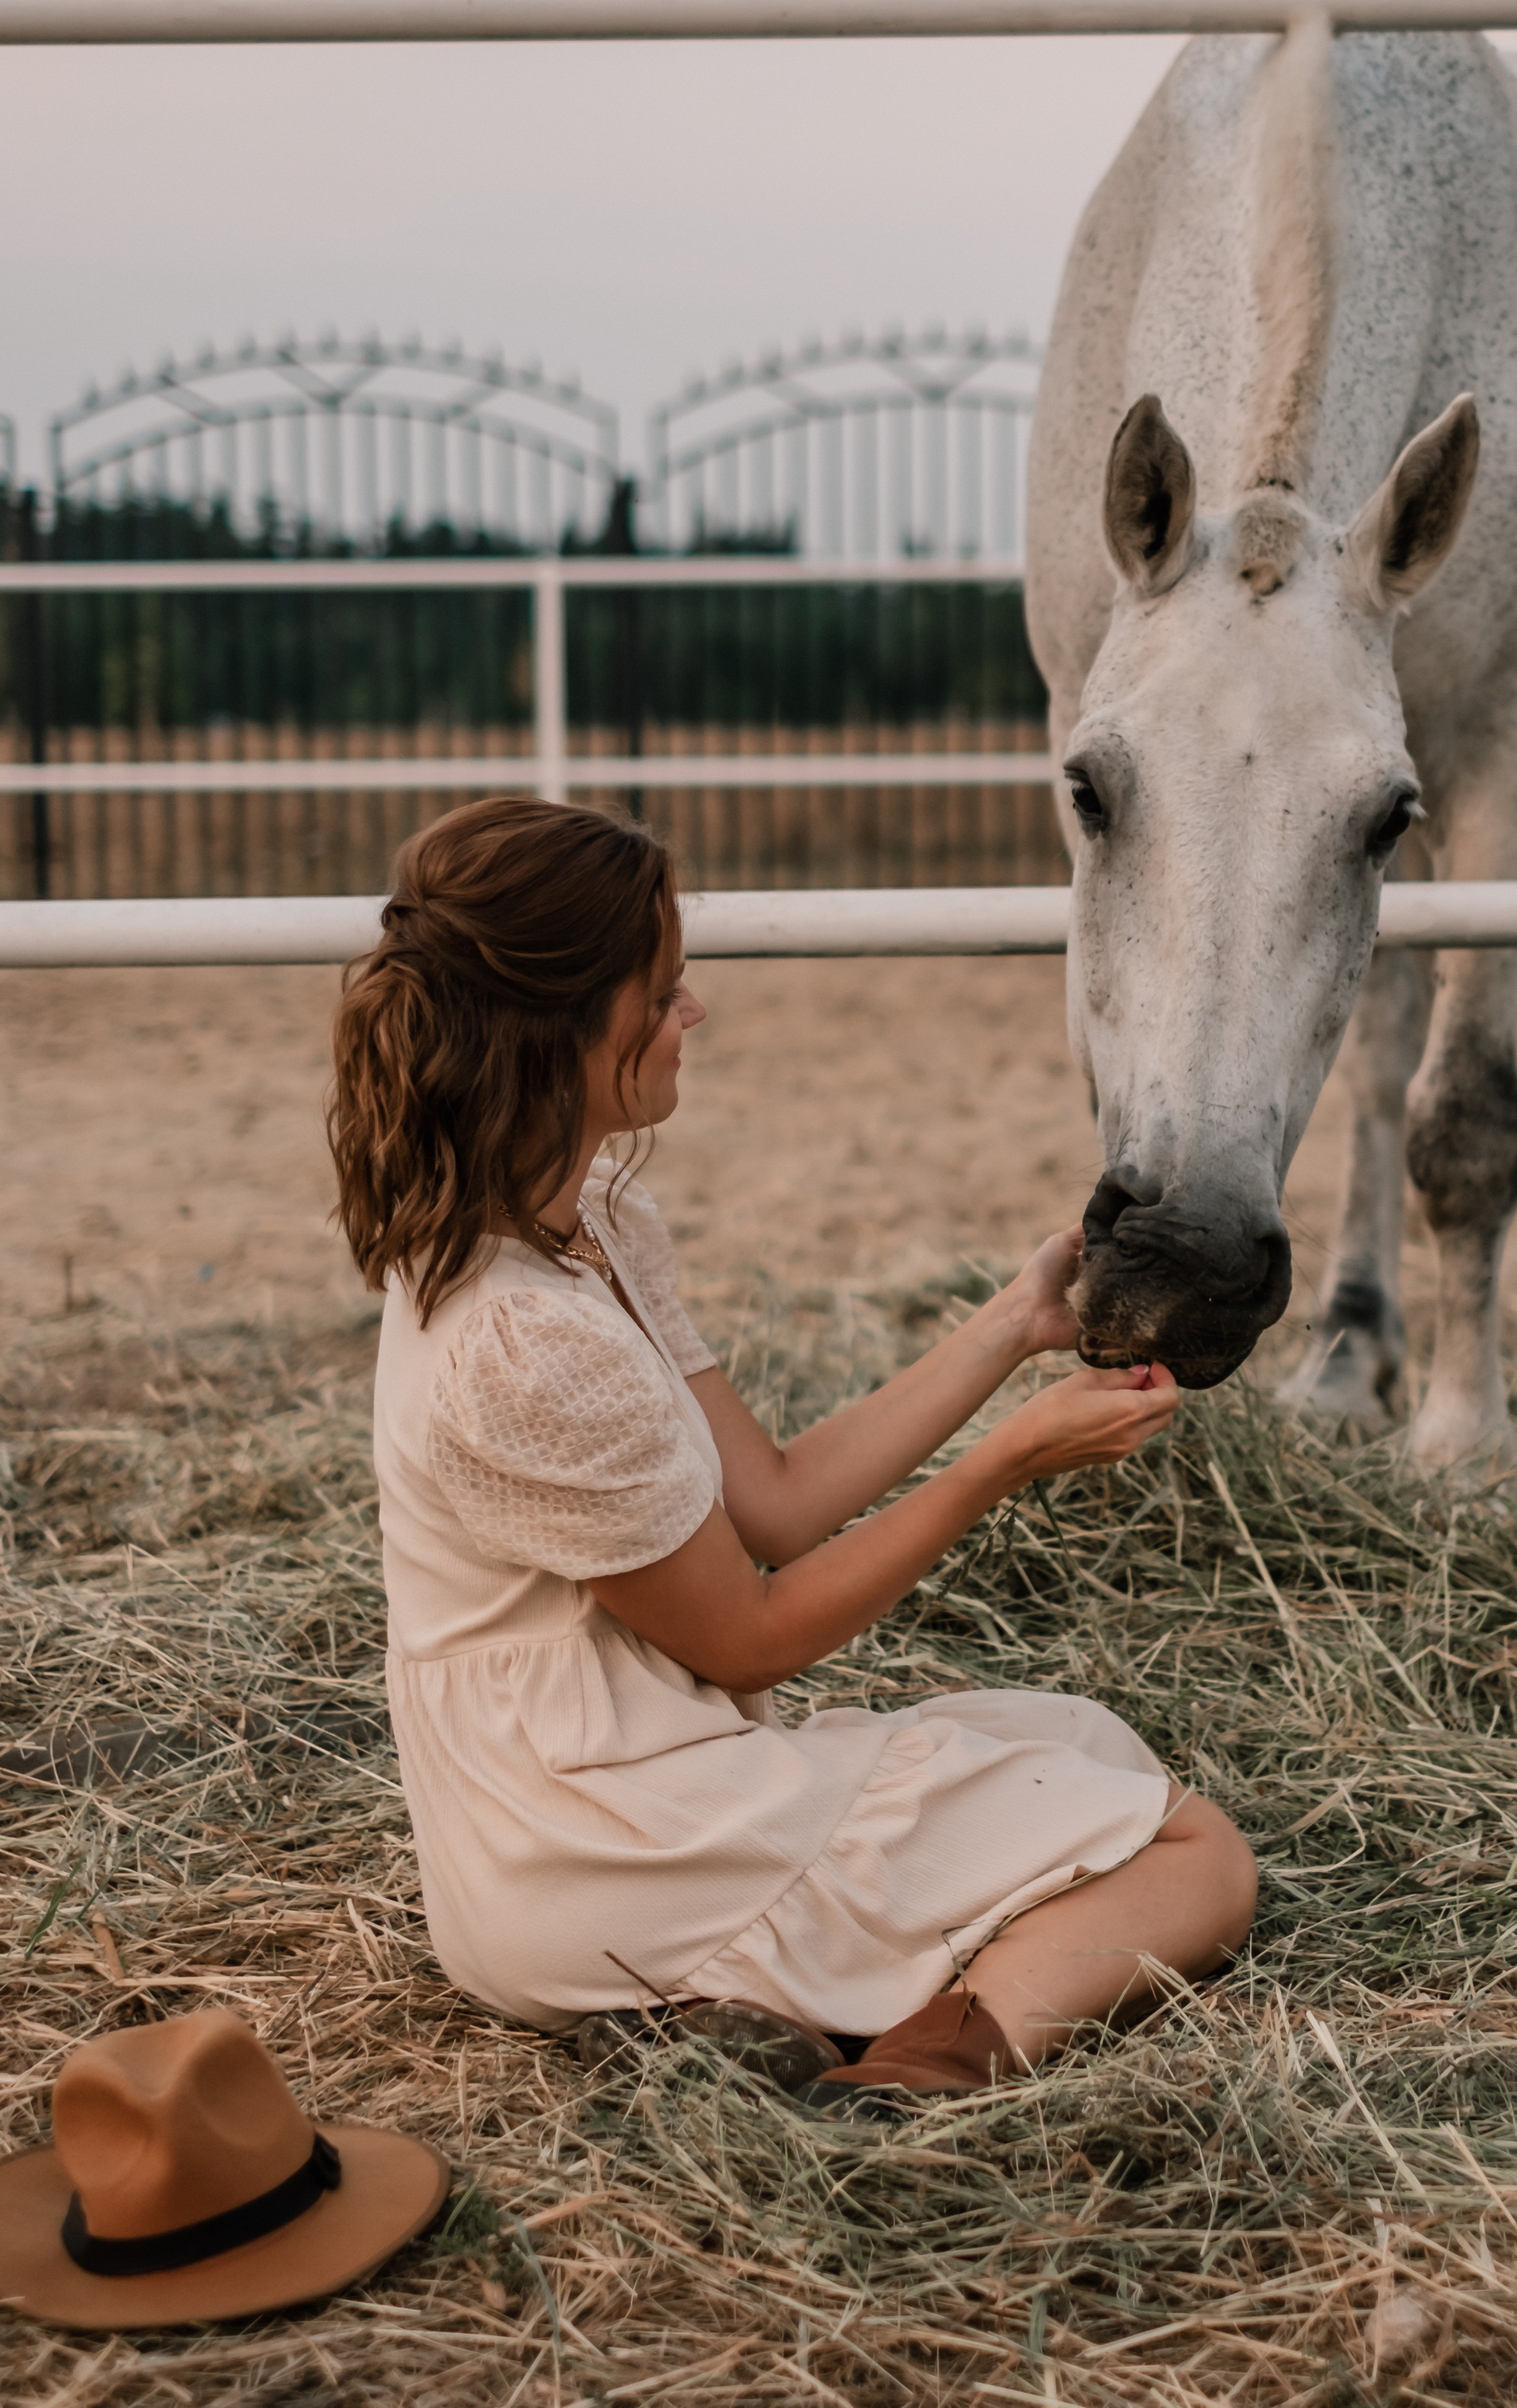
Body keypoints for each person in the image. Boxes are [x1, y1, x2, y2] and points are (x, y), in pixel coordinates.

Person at [328, 797, 1256, 2102]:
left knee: (1081, 1744)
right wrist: (1002, 1465)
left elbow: (768, 1502)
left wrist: (1010, 1329)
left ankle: (735, 2017)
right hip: (603, 1845)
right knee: (1198, 1858)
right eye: (662, 991)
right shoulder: (522, 1343)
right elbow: (753, 1633)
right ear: (564, 1031)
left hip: (609, 1809)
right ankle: (927, 2062)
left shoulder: (580, 1221)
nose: (692, 1013)